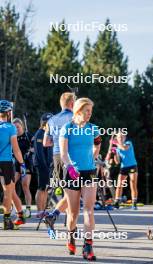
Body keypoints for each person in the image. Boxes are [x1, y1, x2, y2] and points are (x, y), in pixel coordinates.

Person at [59, 97, 101, 261]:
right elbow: (63, 153)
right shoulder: (67, 128)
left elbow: (97, 144)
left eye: (91, 111)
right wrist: (70, 167)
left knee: (89, 210)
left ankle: (88, 246)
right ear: (78, 110)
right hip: (71, 173)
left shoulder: (93, 128)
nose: (90, 114)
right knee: (73, 214)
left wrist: (94, 157)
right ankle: (70, 236)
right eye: (87, 111)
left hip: (89, 172)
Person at [43, 92, 75, 226]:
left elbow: (45, 142)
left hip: (56, 156)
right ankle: (55, 215)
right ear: (73, 104)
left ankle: (64, 220)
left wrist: (56, 142)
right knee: (73, 192)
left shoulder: (51, 120)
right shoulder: (75, 117)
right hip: (71, 157)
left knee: (66, 191)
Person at [0, 100, 26, 229]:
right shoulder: (10, 127)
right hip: (5, 162)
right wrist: (22, 163)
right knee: (8, 191)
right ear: (9, 113)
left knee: (8, 191)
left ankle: (16, 215)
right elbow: (16, 149)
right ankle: (7, 220)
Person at [12, 118, 33, 218]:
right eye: (15, 127)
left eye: (18, 127)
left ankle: (28, 209)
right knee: (11, 186)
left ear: (22, 127)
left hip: (27, 163)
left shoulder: (28, 136)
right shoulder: (13, 137)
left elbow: (35, 147)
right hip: (16, 164)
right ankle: (14, 208)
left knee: (25, 186)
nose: (17, 129)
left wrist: (31, 151)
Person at [34, 113, 53, 216]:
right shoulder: (40, 133)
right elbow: (39, 152)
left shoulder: (49, 134)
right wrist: (44, 166)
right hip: (42, 164)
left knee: (46, 188)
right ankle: (39, 210)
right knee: (41, 188)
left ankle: (43, 210)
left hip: (48, 165)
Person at [114, 132, 138, 210]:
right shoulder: (117, 148)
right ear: (117, 138)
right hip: (123, 167)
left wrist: (116, 144)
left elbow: (124, 148)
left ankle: (134, 203)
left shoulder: (128, 143)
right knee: (119, 184)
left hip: (132, 165)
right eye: (119, 137)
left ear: (124, 138)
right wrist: (114, 154)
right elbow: (117, 162)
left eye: (122, 137)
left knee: (133, 183)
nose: (120, 138)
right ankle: (117, 201)